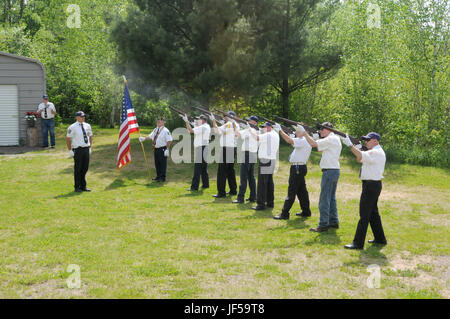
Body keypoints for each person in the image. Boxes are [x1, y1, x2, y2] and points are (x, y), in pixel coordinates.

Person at [341, 132, 387, 249]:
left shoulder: (375, 152)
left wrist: (350, 145)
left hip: (371, 186)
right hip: (372, 185)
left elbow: (360, 156)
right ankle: (380, 239)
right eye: (365, 140)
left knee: (364, 214)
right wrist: (357, 149)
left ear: (376, 141)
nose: (366, 142)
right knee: (373, 214)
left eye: (368, 140)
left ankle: (358, 243)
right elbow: (359, 158)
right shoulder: (373, 152)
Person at [300, 122, 342, 232]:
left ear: (330, 130)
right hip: (333, 170)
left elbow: (314, 145)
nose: (320, 131)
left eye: (323, 129)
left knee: (324, 199)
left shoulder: (331, 139)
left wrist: (304, 133)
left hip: (329, 171)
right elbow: (318, 147)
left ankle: (323, 224)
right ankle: (333, 221)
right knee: (331, 198)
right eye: (320, 129)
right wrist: (312, 137)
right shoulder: (333, 138)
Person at [273, 125, 313, 220]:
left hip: (297, 168)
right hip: (298, 167)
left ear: (303, 132)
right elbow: (293, 143)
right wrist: (290, 136)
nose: (296, 133)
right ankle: (306, 211)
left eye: (298, 131)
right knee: (301, 191)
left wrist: (280, 131)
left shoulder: (303, 140)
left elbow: (289, 141)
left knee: (292, 191)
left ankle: (285, 213)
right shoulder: (304, 140)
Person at [249, 122, 280, 211]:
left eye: (264, 127)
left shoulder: (268, 134)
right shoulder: (275, 134)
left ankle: (261, 204)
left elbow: (257, 138)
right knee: (269, 182)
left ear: (268, 127)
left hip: (265, 160)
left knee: (262, 183)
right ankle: (270, 202)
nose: (263, 129)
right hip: (271, 160)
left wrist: (250, 130)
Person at [210, 111, 238, 198]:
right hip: (230, 149)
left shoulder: (233, 124)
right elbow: (216, 130)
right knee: (230, 170)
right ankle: (233, 190)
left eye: (227, 116)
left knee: (222, 171)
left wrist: (215, 120)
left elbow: (236, 133)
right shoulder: (228, 124)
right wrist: (213, 120)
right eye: (225, 116)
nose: (225, 117)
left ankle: (221, 192)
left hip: (228, 149)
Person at [232, 115, 259, 204]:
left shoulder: (249, 130)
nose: (248, 122)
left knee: (244, 176)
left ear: (254, 123)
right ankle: (253, 196)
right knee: (251, 177)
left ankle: (240, 198)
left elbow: (237, 134)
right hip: (253, 154)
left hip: (247, 154)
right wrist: (235, 125)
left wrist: (235, 126)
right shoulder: (256, 131)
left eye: (250, 121)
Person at [181, 114, 211, 191]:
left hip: (201, 148)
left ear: (203, 120)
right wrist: (193, 124)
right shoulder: (206, 126)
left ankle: (194, 187)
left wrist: (186, 121)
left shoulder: (203, 127)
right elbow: (194, 129)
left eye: (199, 120)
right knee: (203, 167)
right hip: (204, 147)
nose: (197, 121)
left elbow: (191, 131)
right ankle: (205, 184)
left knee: (197, 168)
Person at [66, 111, 93, 192]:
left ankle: (83, 186)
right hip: (78, 149)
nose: (83, 118)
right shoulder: (72, 127)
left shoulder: (87, 125)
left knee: (85, 168)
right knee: (78, 169)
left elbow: (90, 136)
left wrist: (90, 147)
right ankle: (77, 187)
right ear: (77, 117)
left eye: (84, 116)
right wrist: (70, 150)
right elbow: (68, 139)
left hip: (86, 148)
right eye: (82, 116)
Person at [139, 117, 173, 182]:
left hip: (162, 149)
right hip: (156, 148)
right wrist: (144, 138)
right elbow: (150, 136)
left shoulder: (166, 131)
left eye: (159, 121)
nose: (158, 122)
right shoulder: (155, 129)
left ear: (163, 122)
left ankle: (162, 178)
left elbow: (169, 140)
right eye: (157, 121)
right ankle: (158, 176)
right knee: (157, 163)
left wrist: (167, 149)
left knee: (162, 163)